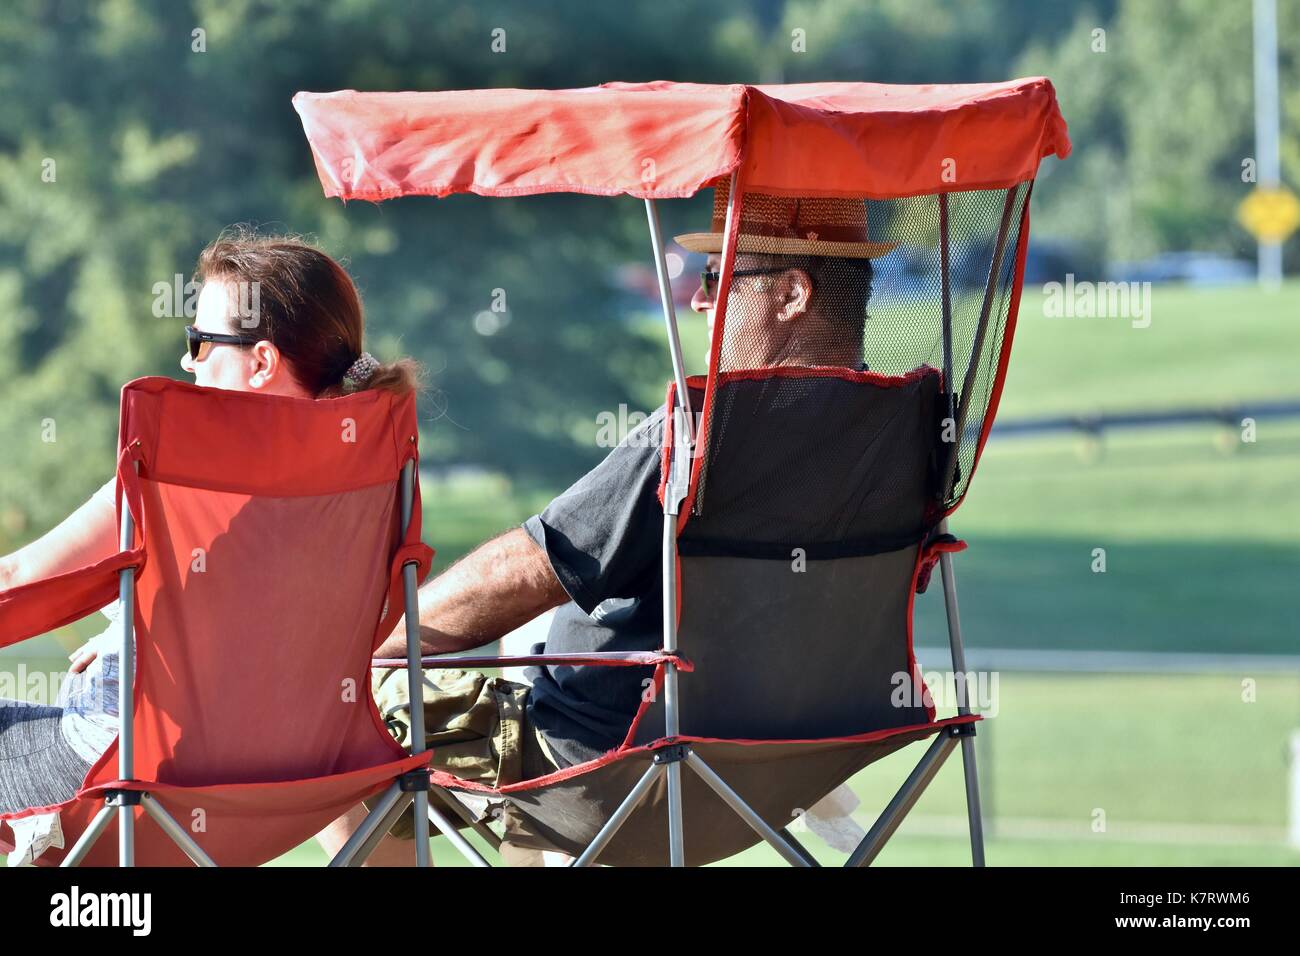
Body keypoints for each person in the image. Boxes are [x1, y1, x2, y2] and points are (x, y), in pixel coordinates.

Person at [335, 187, 897, 865]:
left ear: (792, 295)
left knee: (324, 707)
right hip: (784, 776)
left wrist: (372, 646)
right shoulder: (906, 436)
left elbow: (529, 569)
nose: (697, 299)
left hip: (609, 770)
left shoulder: (707, 432)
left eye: (718, 279)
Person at [0, 228, 420, 865]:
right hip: (297, 785)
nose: (188, 361)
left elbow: (19, 577)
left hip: (123, 778)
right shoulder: (373, 487)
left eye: (199, 342)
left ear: (260, 363)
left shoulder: (172, 474)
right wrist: (137, 636)